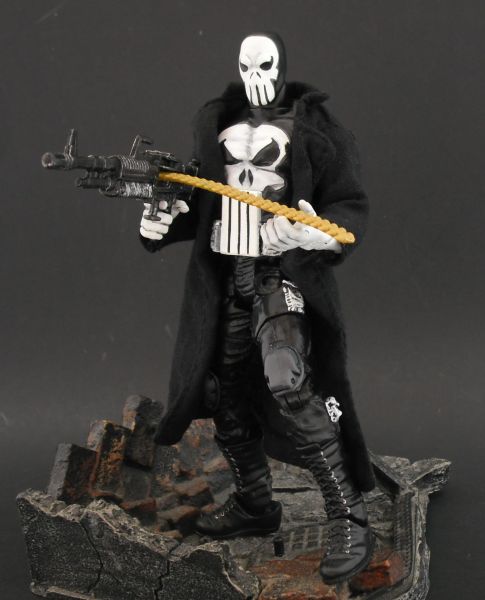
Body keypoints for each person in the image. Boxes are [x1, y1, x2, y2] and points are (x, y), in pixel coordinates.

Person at [140, 32, 375, 584]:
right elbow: (201, 203)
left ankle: (349, 515)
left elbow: (348, 205)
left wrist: (318, 233)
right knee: (225, 394)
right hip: (228, 276)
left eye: (263, 65)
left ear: (280, 65)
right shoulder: (216, 125)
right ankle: (255, 503)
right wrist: (159, 223)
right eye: (245, 66)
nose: (255, 77)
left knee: (288, 377)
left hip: (278, 274)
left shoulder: (315, 131)